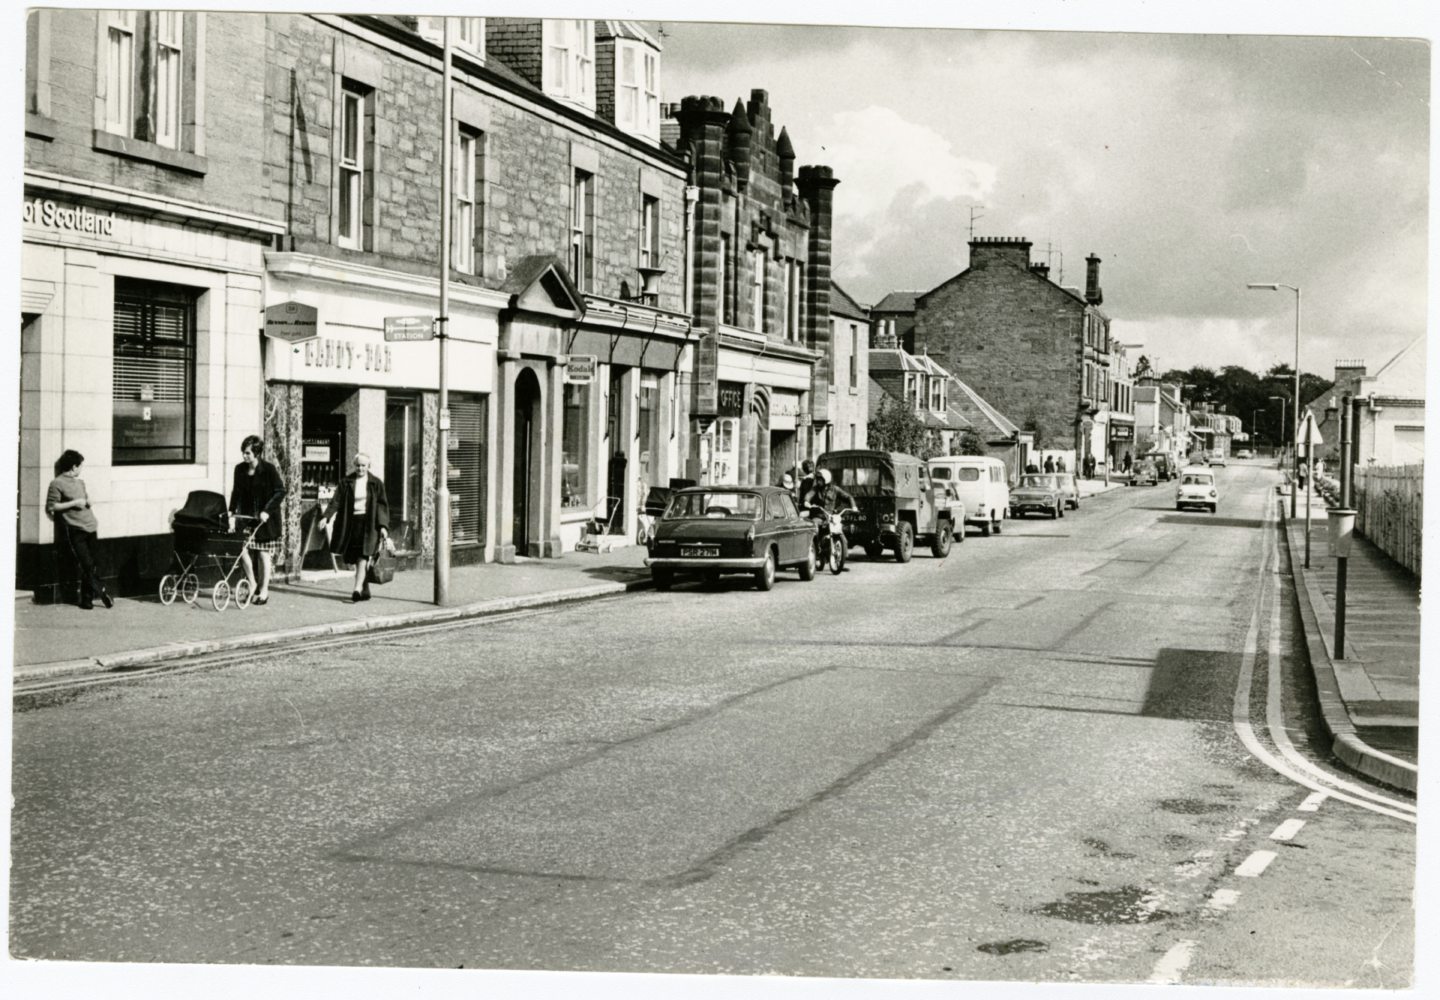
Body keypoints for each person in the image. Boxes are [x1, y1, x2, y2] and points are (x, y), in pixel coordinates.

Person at [45, 449, 113, 610]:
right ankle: (101, 590)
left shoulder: (80, 483)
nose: (81, 469)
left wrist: (88, 501)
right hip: (75, 530)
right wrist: (74, 503)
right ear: (74, 467)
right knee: (87, 564)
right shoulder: (57, 483)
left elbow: (86, 500)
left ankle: (87, 600)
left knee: (92, 564)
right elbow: (52, 506)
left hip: (91, 526)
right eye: (80, 466)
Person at [324, 452, 390, 603]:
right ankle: (364, 589)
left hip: (369, 523)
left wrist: (383, 526)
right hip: (351, 522)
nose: (360, 468)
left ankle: (357, 589)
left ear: (369, 466)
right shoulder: (346, 482)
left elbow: (382, 505)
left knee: (364, 554)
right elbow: (336, 501)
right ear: (354, 466)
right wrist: (326, 516)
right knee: (354, 556)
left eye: (363, 466)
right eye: (358, 465)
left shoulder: (376, 483)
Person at [230, 435, 287, 605]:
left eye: (248, 453)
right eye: (243, 453)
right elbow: (236, 492)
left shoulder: (268, 470)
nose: (244, 456)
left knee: (263, 554)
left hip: (265, 519)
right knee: (242, 549)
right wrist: (231, 513)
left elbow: (280, 491)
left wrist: (267, 510)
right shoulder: (239, 469)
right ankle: (253, 582)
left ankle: (264, 591)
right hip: (248, 517)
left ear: (257, 453)